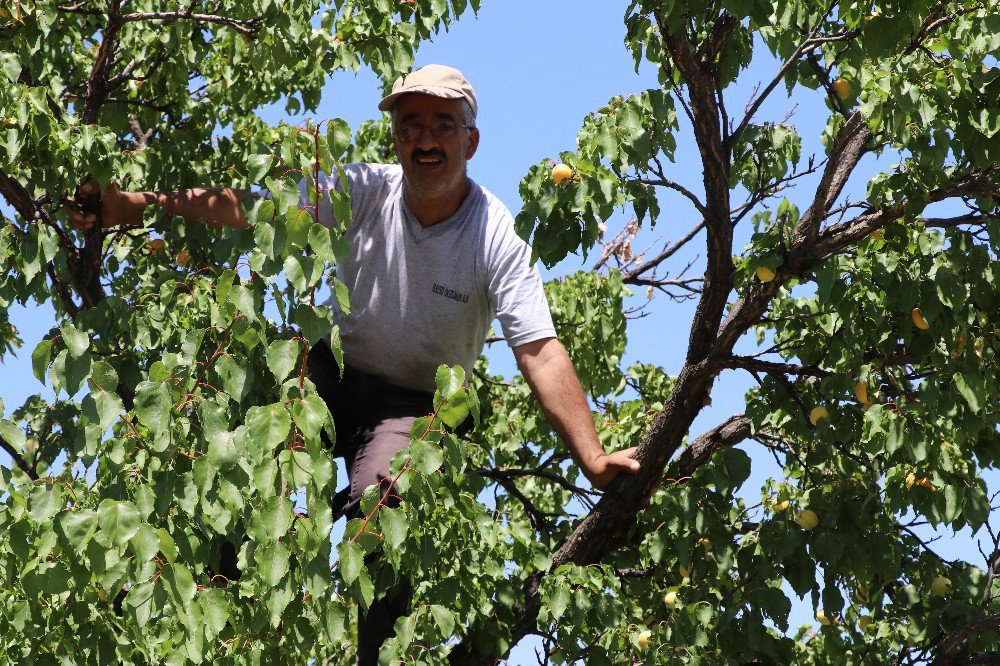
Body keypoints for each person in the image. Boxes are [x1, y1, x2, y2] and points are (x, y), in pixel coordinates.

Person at [67, 64, 640, 664]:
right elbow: (251, 208)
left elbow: (540, 351)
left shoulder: (494, 236)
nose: (425, 140)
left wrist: (592, 455)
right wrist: (132, 205)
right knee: (244, 475)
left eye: (442, 126)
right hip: (330, 378)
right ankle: (207, 622)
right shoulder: (363, 190)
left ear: (470, 141)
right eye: (409, 125)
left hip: (417, 406)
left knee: (380, 510)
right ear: (393, 138)